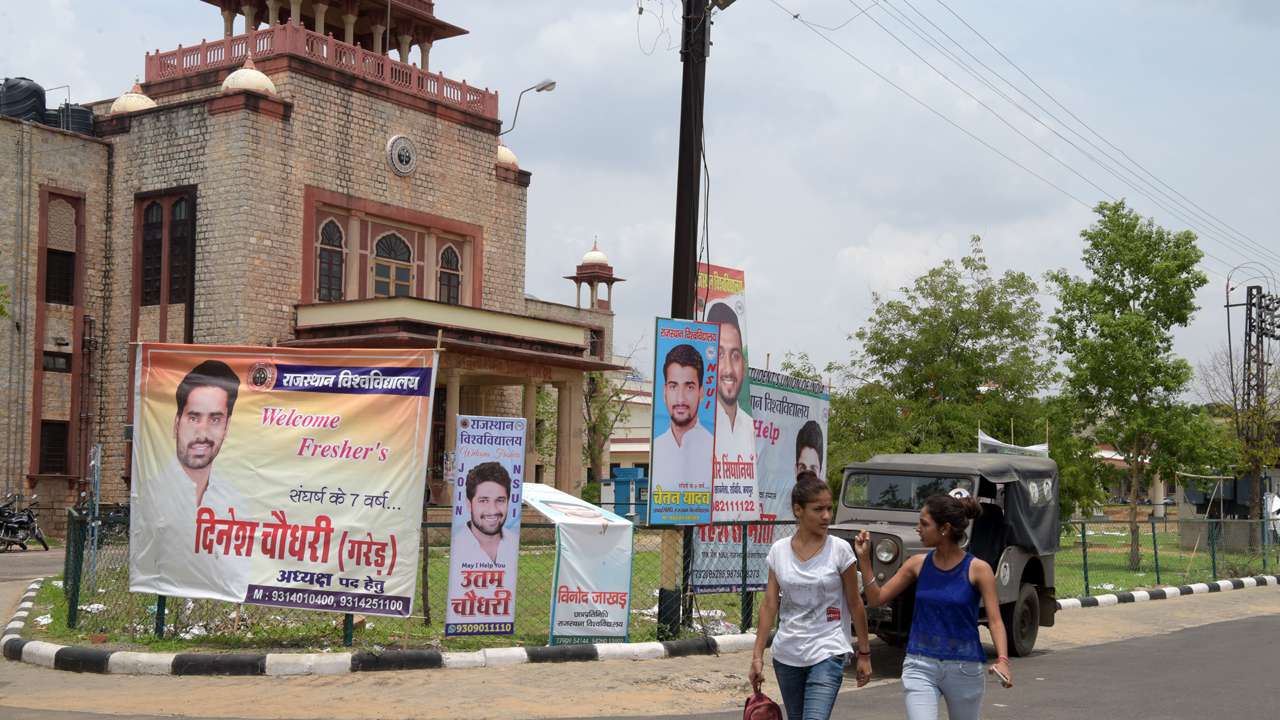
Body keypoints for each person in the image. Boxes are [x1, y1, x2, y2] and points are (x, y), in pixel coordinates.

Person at [855, 494, 1013, 720]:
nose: (918, 528)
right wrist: (865, 561)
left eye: (924, 523)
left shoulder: (979, 569)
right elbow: (877, 598)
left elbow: (996, 621)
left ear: (944, 529)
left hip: (964, 667)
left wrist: (1003, 661)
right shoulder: (916, 564)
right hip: (920, 664)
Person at [750, 471, 872, 720]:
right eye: (818, 509)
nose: (826, 516)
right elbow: (769, 605)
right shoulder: (779, 551)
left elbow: (855, 603)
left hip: (828, 651)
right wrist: (757, 656)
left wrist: (865, 653)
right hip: (787, 655)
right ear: (798, 510)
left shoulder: (840, 550)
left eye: (829, 508)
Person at [130, 359, 249, 602]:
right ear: (177, 423)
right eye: (194, 417)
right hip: (158, 600)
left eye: (215, 419)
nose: (202, 434)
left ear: (226, 428)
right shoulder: (151, 494)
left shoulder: (235, 503)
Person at [705, 303, 758, 519]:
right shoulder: (700, 426)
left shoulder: (751, 427)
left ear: (743, 364)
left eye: (735, 356)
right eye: (718, 355)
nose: (728, 369)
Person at [650, 343, 714, 502]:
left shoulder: (714, 450)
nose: (680, 398)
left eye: (689, 387)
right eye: (673, 386)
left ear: (701, 392)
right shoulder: (656, 449)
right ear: (665, 391)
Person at [452, 461, 519, 567]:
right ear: (469, 504)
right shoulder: (457, 545)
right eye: (483, 500)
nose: (493, 510)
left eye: (500, 500)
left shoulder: (513, 542)